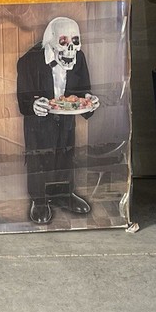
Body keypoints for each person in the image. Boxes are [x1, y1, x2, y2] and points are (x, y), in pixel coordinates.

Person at [15, 16, 100, 224]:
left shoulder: (79, 58)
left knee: (66, 154)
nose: (71, 49)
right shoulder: (28, 61)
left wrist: (89, 101)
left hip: (66, 121)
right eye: (63, 42)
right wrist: (33, 105)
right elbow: (24, 99)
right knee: (38, 157)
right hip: (38, 124)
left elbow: (83, 91)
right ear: (51, 42)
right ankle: (39, 200)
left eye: (75, 42)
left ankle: (64, 194)